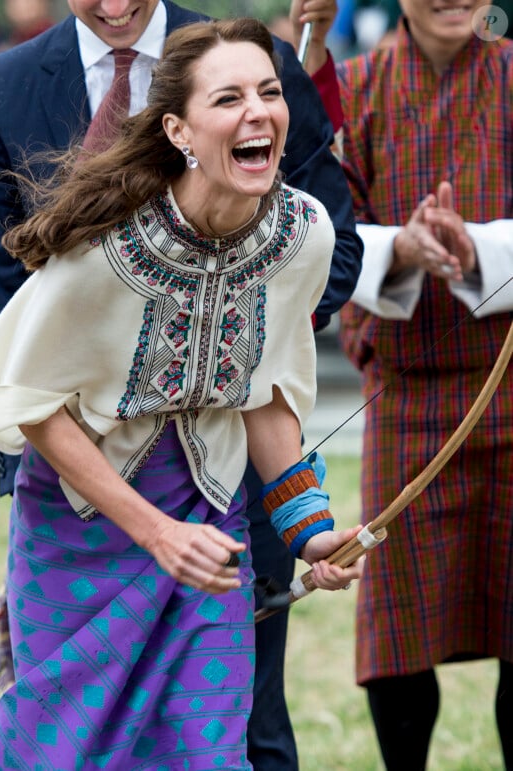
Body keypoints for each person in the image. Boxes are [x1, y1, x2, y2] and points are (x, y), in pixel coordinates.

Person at [0, 18, 365, 768]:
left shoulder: (304, 234)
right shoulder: (103, 247)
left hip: (209, 514)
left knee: (205, 750)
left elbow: (264, 393)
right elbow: (31, 400)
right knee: (57, 750)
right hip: (77, 526)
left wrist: (311, 531)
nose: (258, 111)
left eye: (268, 92)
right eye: (228, 98)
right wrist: (154, 532)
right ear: (180, 130)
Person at [291, 1, 513, 768]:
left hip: (509, 381)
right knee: (397, 634)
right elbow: (318, 219)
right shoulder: (348, 84)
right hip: (410, 390)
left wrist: (477, 245)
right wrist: (402, 247)